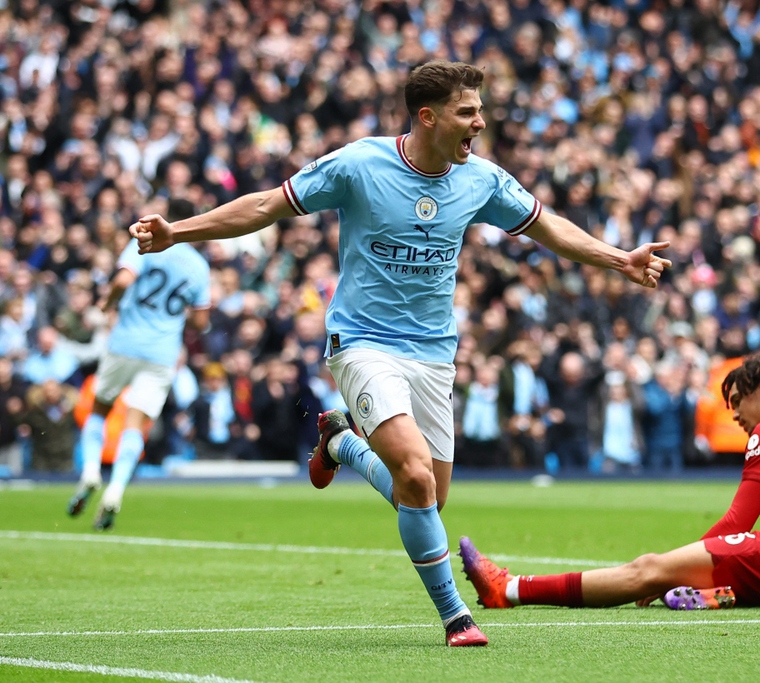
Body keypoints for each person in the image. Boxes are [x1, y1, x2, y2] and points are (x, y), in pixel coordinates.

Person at [128, 60, 672, 647]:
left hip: (435, 355)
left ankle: (341, 444)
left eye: (480, 112)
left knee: (428, 499)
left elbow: (549, 227)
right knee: (412, 474)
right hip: (363, 343)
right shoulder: (360, 164)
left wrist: (620, 259)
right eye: (468, 113)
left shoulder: (481, 179)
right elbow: (264, 206)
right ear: (427, 116)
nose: (480, 123)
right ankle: (456, 616)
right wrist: (178, 232)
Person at [459, 351, 760, 610]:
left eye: (737, 400)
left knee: (647, 568)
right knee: (704, 570)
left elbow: (740, 518)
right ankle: (710, 596)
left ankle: (509, 588)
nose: (733, 413)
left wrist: (669, 568)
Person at [68, 199, 210, 531]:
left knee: (101, 409)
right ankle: (116, 489)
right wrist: (173, 317)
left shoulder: (146, 244)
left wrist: (106, 304)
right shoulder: (199, 266)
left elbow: (121, 281)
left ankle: (90, 472)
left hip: (125, 344)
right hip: (162, 352)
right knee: (136, 422)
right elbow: (201, 321)